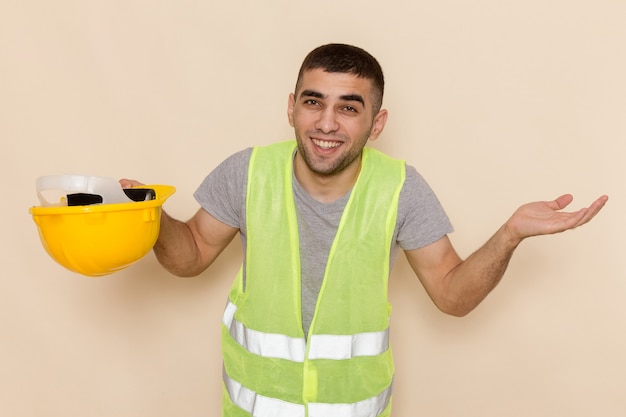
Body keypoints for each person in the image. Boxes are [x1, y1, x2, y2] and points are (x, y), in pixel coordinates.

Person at [121, 43, 608, 417]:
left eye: (349, 108)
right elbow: (190, 256)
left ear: (377, 123)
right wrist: (150, 214)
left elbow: (452, 296)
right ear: (291, 107)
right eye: (314, 102)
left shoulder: (401, 189)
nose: (326, 123)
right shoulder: (247, 173)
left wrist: (510, 234)